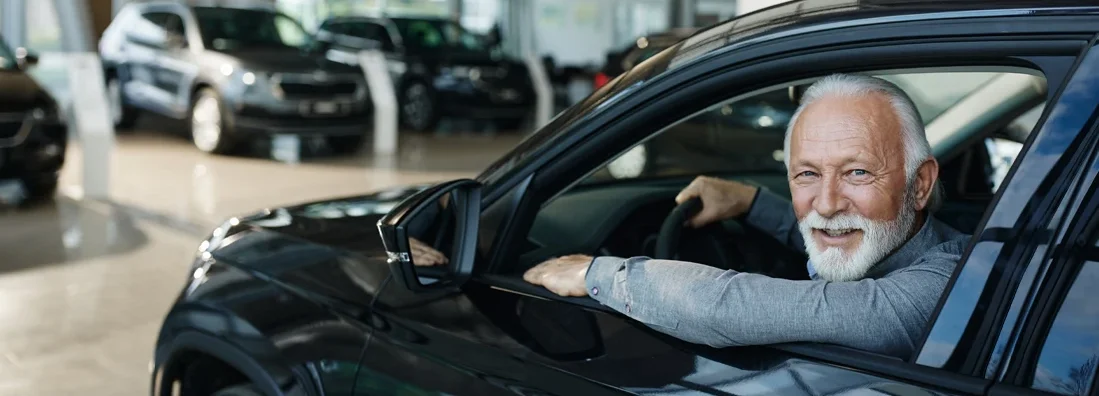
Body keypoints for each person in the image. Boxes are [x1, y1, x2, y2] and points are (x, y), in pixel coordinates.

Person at [521, 74, 971, 358]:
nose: (828, 202)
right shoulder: (891, 244)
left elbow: (735, 305)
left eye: (858, 172)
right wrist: (752, 203)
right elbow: (843, 241)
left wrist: (602, 274)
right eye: (807, 174)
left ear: (920, 185)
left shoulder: (946, 285)